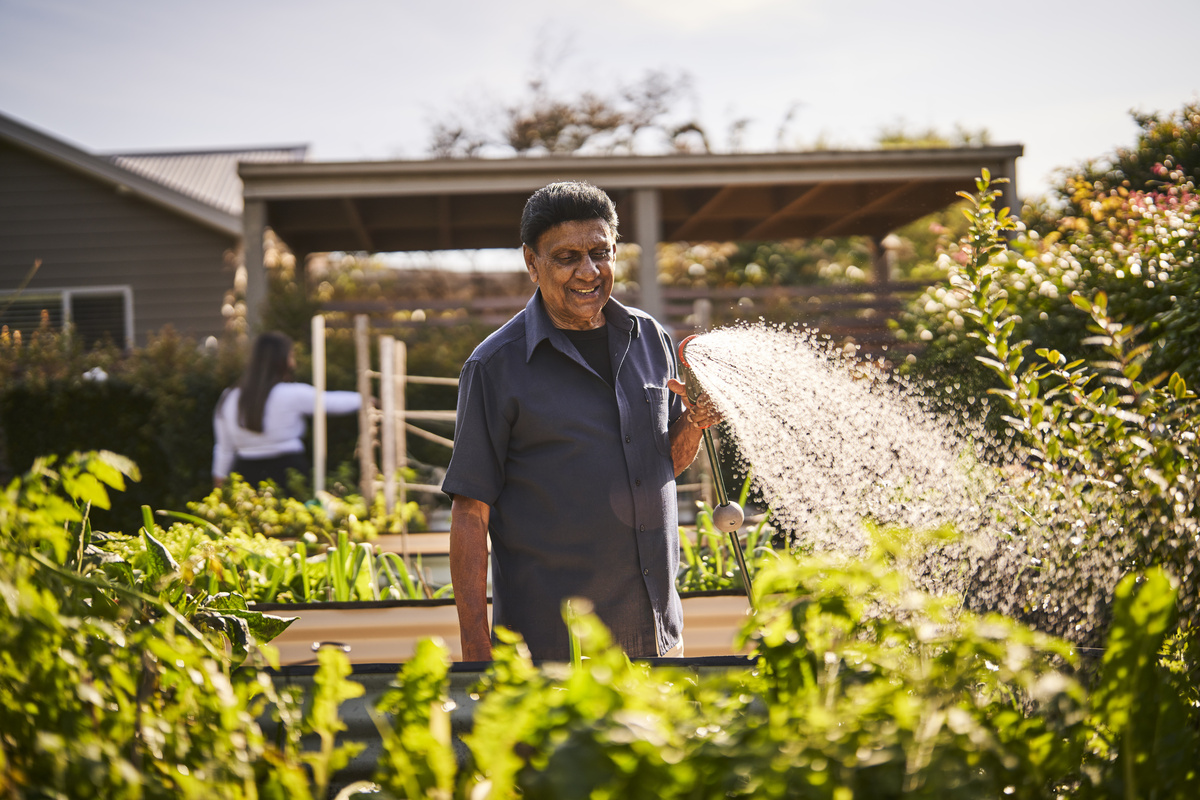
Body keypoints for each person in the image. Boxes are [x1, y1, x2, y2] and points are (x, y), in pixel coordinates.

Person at [442, 181, 721, 662]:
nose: (588, 271)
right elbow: (471, 512)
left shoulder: (650, 338)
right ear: (532, 262)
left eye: (600, 252)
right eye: (567, 256)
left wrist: (693, 423)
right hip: (553, 647)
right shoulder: (495, 366)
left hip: (657, 633)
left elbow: (664, 466)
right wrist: (475, 647)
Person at [212, 331, 361, 494]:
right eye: (291, 356)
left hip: (246, 475)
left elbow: (224, 449)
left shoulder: (230, 397)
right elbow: (332, 402)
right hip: (289, 472)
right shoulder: (291, 393)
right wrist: (368, 399)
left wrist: (218, 487)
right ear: (282, 360)